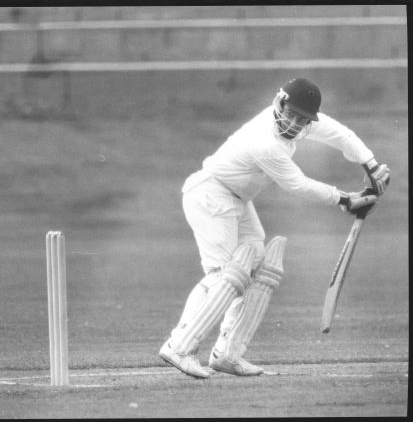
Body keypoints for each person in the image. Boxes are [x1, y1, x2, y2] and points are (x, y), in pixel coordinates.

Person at [159, 78, 390, 379]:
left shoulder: (300, 122)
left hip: (238, 200)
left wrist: (371, 165)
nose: (294, 123)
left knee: (257, 266)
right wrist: (346, 200)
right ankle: (179, 346)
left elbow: (341, 135)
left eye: (302, 120)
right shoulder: (264, 141)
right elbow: (297, 184)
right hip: (211, 194)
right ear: (279, 104)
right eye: (291, 114)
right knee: (223, 275)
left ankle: (228, 354)